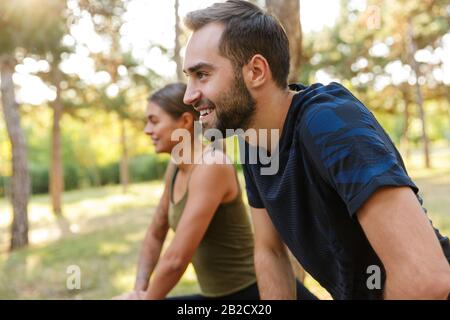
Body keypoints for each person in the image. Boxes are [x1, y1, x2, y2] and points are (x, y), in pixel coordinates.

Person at [181, 0, 450, 299]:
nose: (188, 95)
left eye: (202, 75)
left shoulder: (329, 124)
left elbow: (427, 280)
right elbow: (270, 250)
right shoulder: (251, 139)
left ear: (256, 71)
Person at [112, 83, 316, 300]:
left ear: (185, 121)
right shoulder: (176, 167)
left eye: (154, 121)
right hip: (216, 298)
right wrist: (138, 291)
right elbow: (155, 232)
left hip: (253, 293)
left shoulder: (211, 166)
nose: (147, 130)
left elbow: (176, 260)